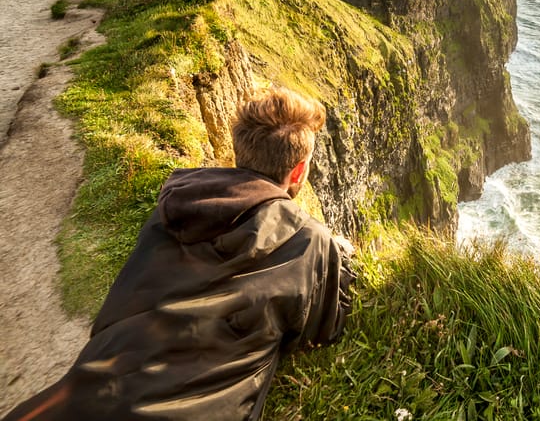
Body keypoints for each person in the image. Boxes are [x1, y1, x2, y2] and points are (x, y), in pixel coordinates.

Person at [3, 87, 355, 421]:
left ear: (240, 151)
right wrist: (336, 257)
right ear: (299, 170)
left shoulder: (175, 206)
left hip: (84, 393)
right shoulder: (306, 239)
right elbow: (322, 329)